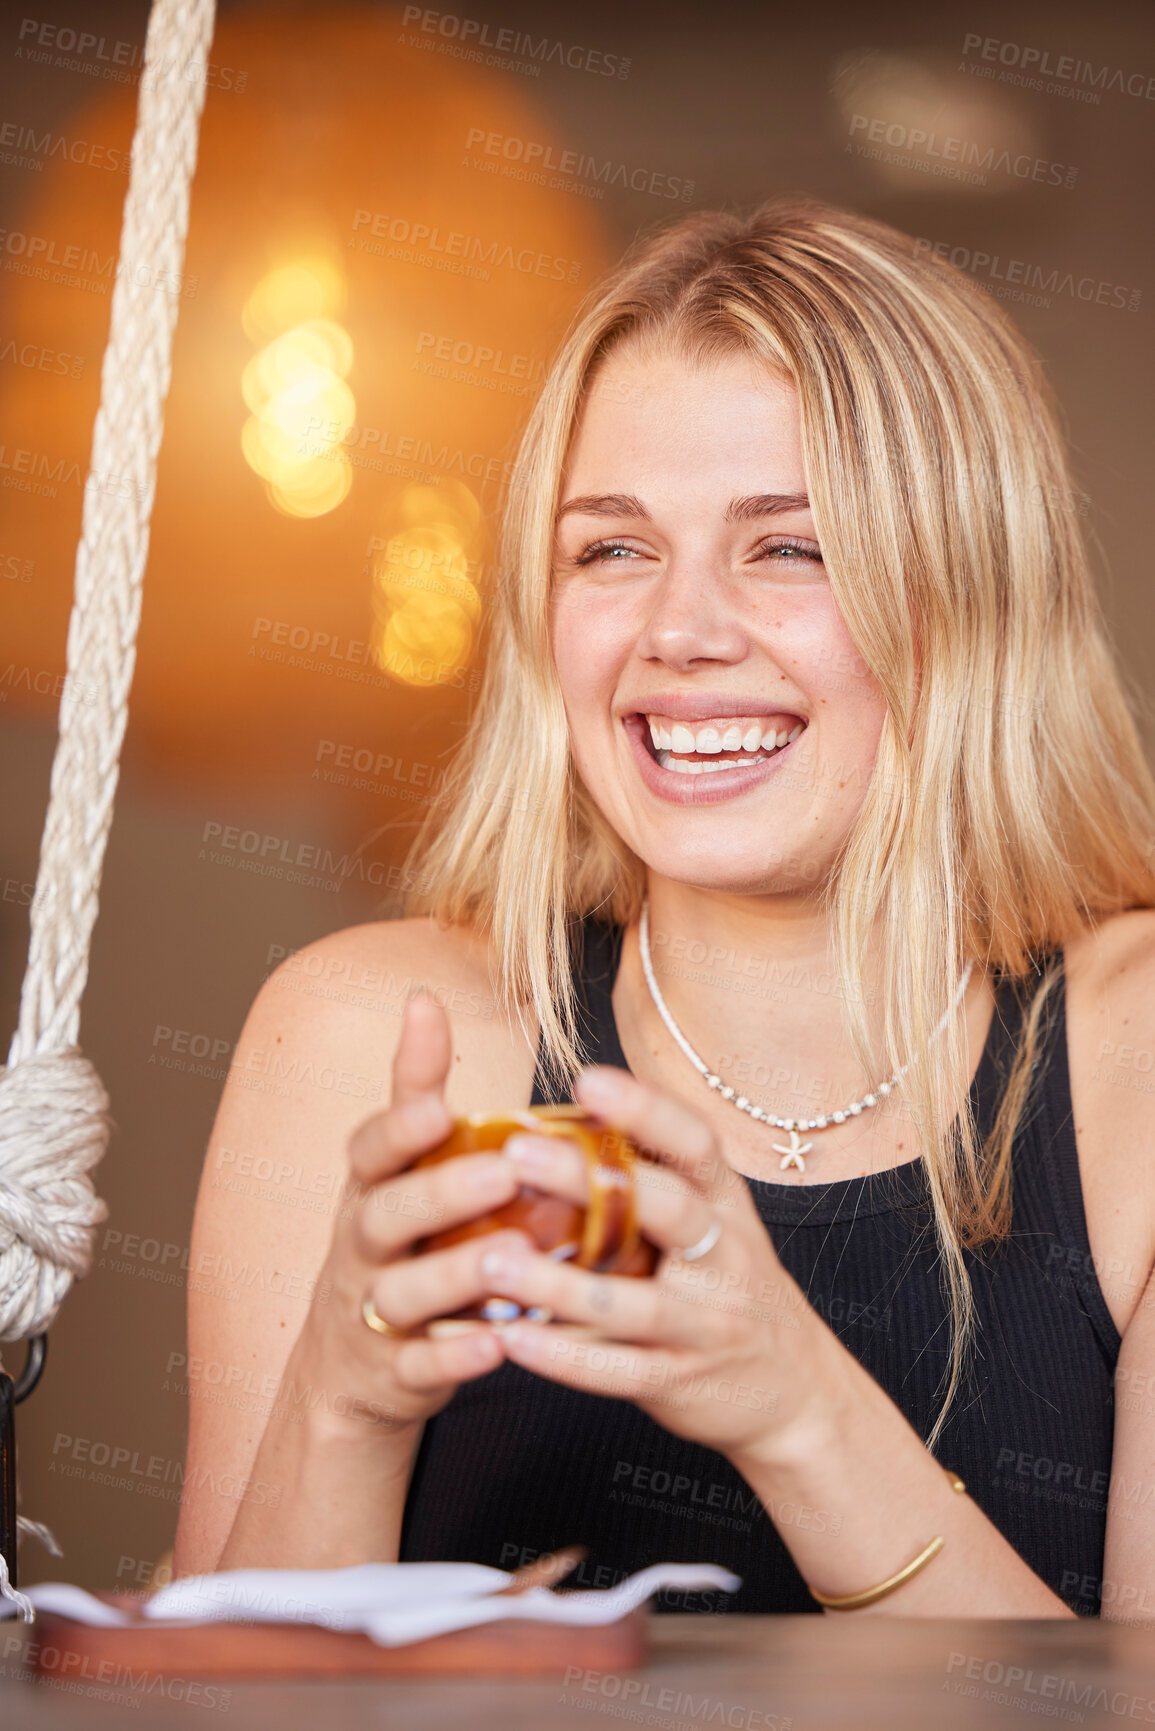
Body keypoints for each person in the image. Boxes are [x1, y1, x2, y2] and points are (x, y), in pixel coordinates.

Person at [173, 198, 1155, 1619]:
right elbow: (198, 1724)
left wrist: (790, 1400)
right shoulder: (365, 1035)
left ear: (973, 594)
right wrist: (348, 1391)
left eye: (790, 547)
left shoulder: (1129, 1061)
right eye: (612, 551)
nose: (680, 632)